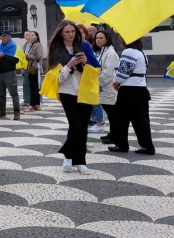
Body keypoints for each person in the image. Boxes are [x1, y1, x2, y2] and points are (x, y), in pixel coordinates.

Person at [47, 20, 101, 175]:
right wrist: (69, 65)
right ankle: (69, 156)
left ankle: (80, 160)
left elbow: (96, 68)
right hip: (67, 91)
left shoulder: (84, 46)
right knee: (75, 124)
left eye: (73, 32)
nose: (71, 34)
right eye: (67, 32)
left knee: (83, 127)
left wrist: (86, 63)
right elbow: (56, 78)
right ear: (61, 33)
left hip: (85, 91)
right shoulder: (56, 49)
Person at [107, 37, 155, 155]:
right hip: (141, 88)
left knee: (121, 118)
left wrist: (116, 81)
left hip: (128, 89)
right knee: (142, 120)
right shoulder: (141, 53)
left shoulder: (128, 52)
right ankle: (147, 146)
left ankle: (122, 144)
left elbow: (124, 71)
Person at [93, 31, 119, 143]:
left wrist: (97, 82)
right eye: (97, 38)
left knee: (112, 113)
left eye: (101, 38)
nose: (98, 40)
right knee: (109, 113)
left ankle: (115, 135)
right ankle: (112, 133)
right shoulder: (101, 52)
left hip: (108, 87)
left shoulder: (111, 54)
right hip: (102, 86)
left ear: (107, 39)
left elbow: (108, 72)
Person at [0, 30, 21, 120]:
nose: (2, 38)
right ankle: (2, 110)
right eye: (1, 36)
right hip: (0, 72)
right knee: (0, 93)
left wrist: (4, 56)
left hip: (10, 72)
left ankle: (17, 112)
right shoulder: (0, 46)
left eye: (4, 36)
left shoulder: (14, 46)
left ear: (9, 37)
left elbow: (15, 60)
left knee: (13, 93)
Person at [24, 31, 44, 112]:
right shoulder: (32, 45)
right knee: (34, 87)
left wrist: (29, 56)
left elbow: (39, 57)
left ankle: (32, 105)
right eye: (30, 35)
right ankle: (37, 104)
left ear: (37, 36)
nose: (31, 37)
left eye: (33, 35)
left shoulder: (38, 45)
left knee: (34, 87)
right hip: (31, 68)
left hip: (35, 69)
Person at [21, 31, 33, 107]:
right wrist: (22, 68)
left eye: (28, 34)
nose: (26, 36)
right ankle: (26, 99)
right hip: (25, 66)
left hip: (32, 66)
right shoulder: (24, 46)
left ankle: (37, 100)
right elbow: (22, 57)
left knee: (34, 84)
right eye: (25, 35)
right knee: (25, 84)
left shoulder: (34, 45)